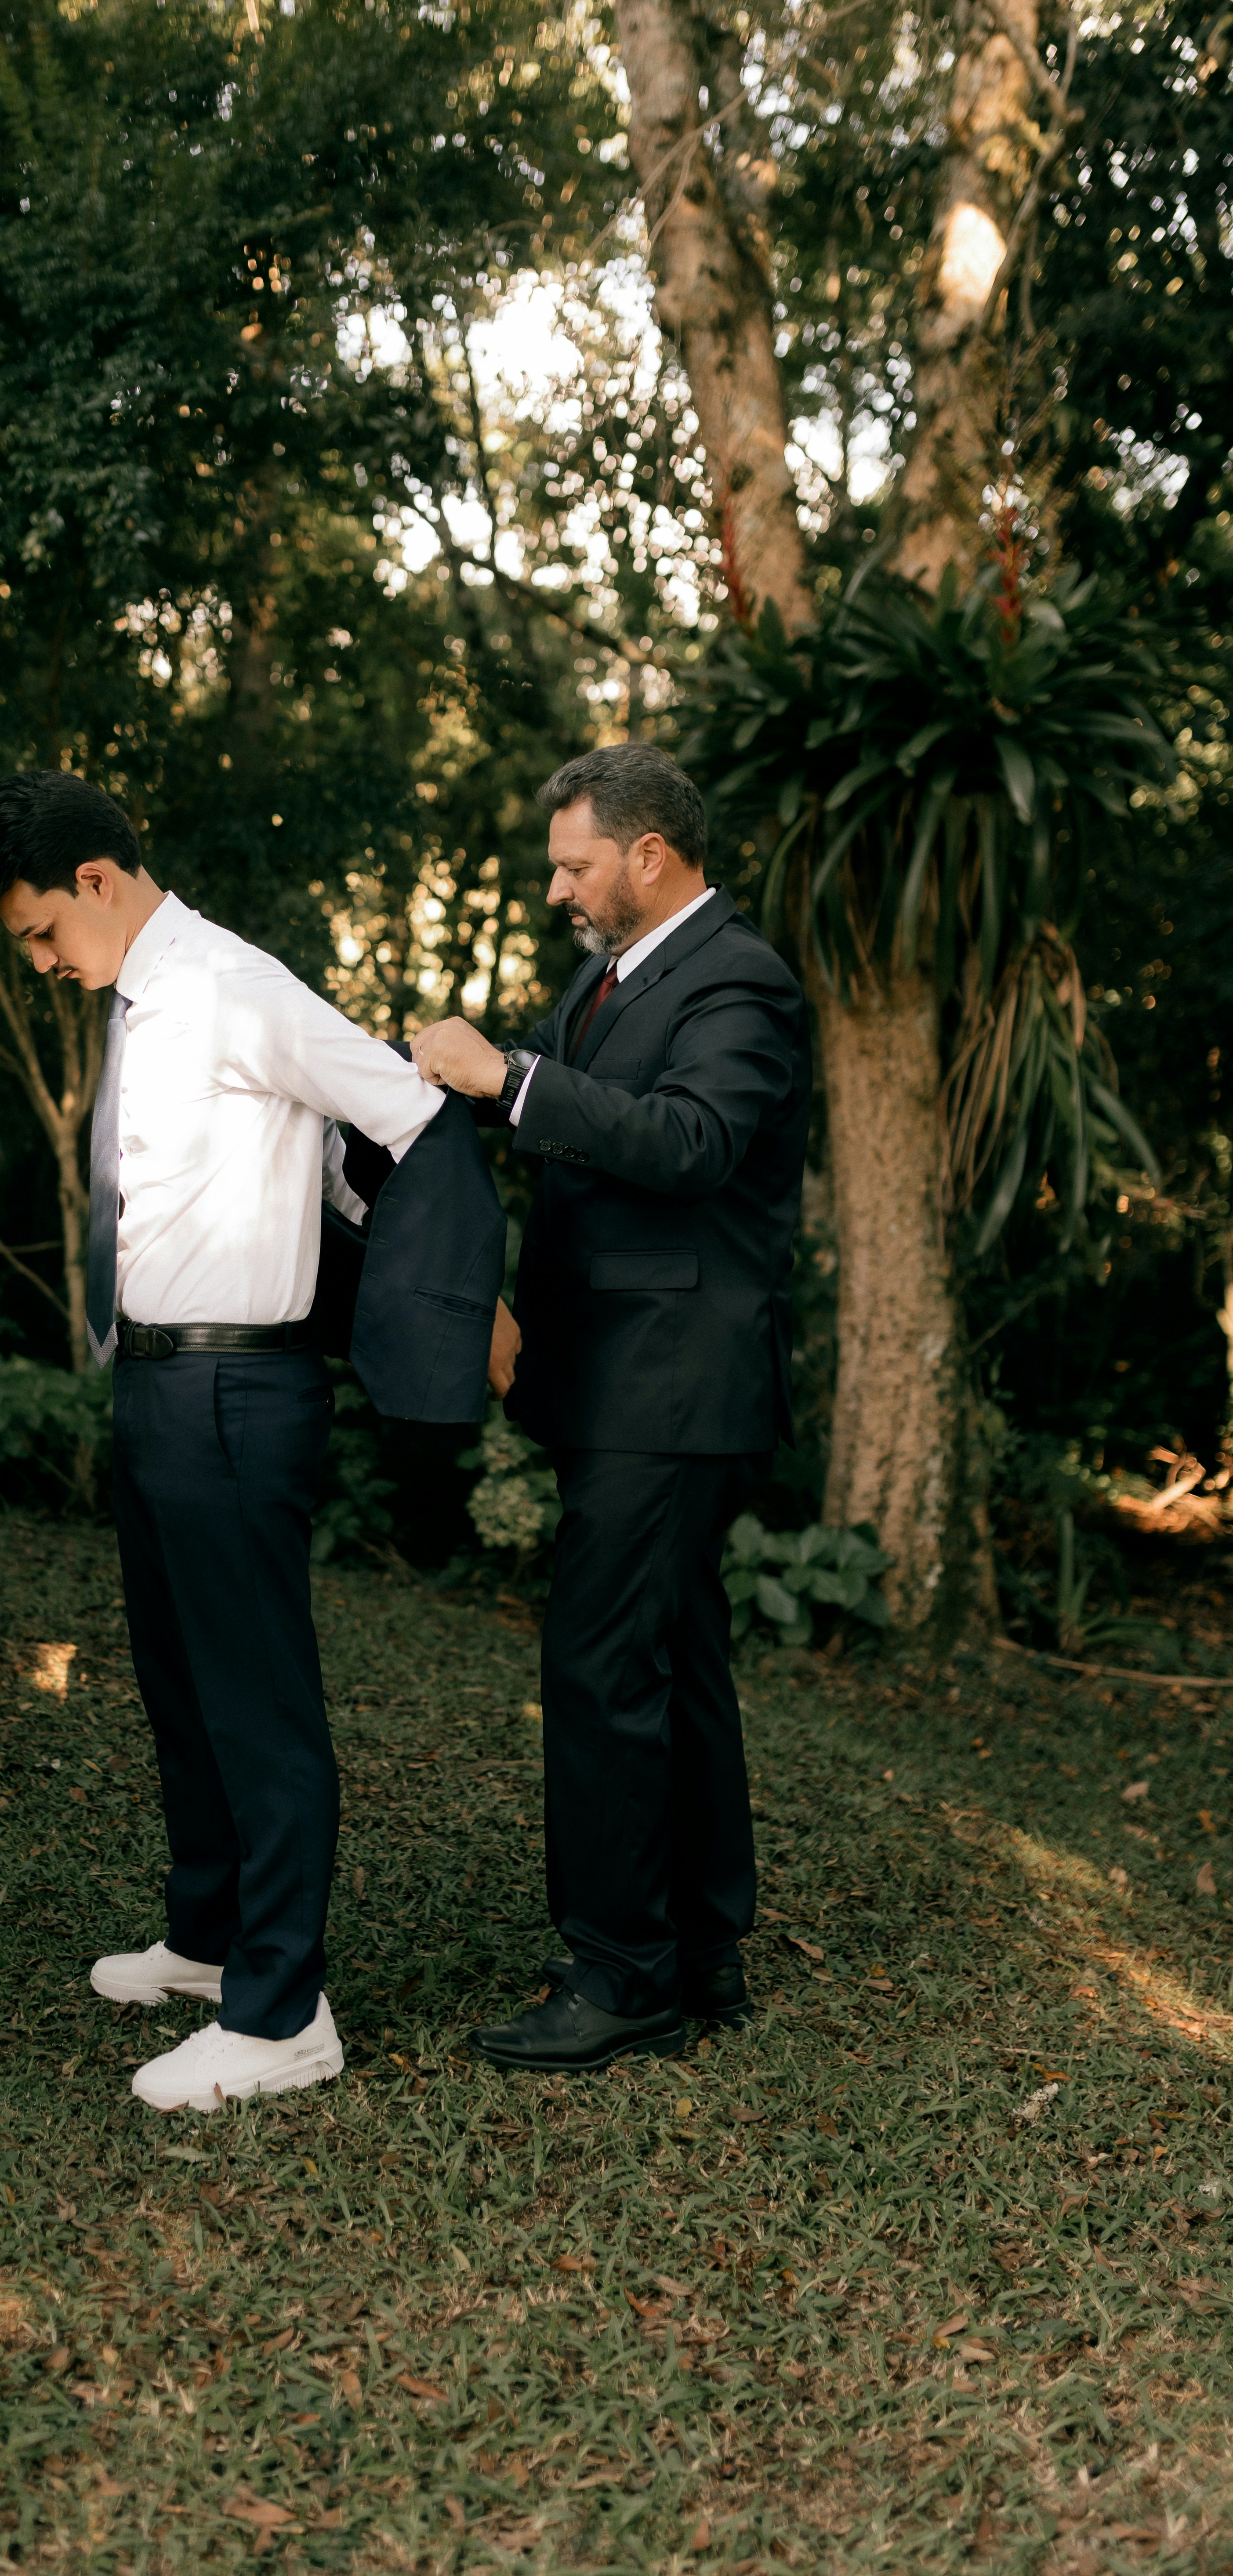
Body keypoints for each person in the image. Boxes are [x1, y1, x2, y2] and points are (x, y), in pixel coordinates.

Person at [0, 771, 502, 2112]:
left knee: (256, 1704)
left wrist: (448, 1316)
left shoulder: (234, 983)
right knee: (180, 1685)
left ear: (95, 881)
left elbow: (412, 1119)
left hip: (241, 1392)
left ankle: (282, 2014)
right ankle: (209, 1941)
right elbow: (310, 1162)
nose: (42, 962)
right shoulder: (146, 997)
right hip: (158, 1386)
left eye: (42, 932)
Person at [410, 741, 810, 2071]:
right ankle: (697, 1949)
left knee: (600, 1667)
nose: (557, 890)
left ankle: (623, 1974)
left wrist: (510, 1079)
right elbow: (579, 1136)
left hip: (677, 1386)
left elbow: (692, 1143)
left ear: (650, 853)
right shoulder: (606, 976)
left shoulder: (741, 978)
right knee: (673, 1662)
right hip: (613, 1379)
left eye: (574, 865)